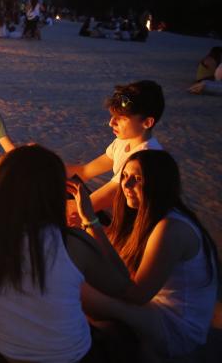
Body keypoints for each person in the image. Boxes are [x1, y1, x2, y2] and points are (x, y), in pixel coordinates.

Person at [0, 145, 132, 363]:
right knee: (123, 331)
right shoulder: (71, 243)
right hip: (70, 357)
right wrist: (91, 220)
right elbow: (122, 285)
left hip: (0, 355)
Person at [76, 150, 218, 360]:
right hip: (152, 307)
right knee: (80, 280)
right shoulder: (144, 215)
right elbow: (117, 259)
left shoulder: (170, 228)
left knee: (78, 289)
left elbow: (137, 294)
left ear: (160, 184)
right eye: (124, 176)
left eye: (138, 179)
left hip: (176, 323)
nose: (126, 185)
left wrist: (91, 221)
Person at [66, 80, 164, 214]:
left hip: (135, 225)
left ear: (147, 122)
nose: (111, 123)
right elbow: (84, 172)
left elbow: (89, 205)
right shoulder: (122, 142)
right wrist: (44, 164)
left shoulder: (145, 158)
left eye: (122, 118)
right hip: (117, 213)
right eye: (113, 116)